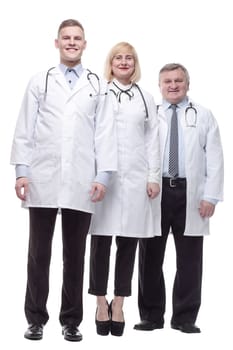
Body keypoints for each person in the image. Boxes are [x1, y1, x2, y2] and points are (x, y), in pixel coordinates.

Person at [10, 19, 117, 342]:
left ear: (85, 45)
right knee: (38, 254)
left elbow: (105, 133)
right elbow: (24, 128)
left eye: (77, 38)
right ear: (57, 43)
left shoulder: (97, 85)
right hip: (43, 177)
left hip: (82, 180)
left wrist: (102, 176)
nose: (72, 42)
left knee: (75, 255)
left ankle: (71, 320)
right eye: (66, 38)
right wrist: (22, 171)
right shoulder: (40, 81)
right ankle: (36, 319)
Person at [134, 63, 224, 334]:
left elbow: (215, 158)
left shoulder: (204, 115)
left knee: (190, 258)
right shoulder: (152, 115)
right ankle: (151, 315)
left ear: (187, 84)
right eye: (167, 81)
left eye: (178, 81)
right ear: (159, 85)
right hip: (156, 191)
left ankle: (184, 318)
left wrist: (210, 196)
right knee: (150, 255)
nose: (173, 85)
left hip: (190, 193)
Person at [88, 42, 161, 337]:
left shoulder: (145, 96)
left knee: (128, 243)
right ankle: (99, 302)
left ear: (135, 63)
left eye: (129, 58)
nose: (123, 61)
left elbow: (152, 139)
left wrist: (153, 176)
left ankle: (119, 302)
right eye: (118, 57)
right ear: (110, 62)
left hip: (134, 178)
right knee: (100, 242)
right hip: (104, 177)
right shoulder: (99, 92)